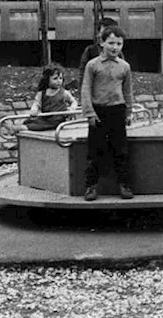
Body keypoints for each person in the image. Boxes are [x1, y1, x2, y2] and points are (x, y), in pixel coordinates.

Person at [80, 25, 134, 201]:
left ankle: (124, 185)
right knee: (95, 151)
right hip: (99, 112)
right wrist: (89, 113)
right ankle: (91, 186)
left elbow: (128, 92)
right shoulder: (92, 65)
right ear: (102, 43)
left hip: (117, 111)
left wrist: (129, 112)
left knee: (121, 150)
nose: (115, 47)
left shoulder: (124, 66)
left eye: (119, 43)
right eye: (111, 43)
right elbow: (86, 89)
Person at [23, 64, 78, 131]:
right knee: (27, 121)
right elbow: (36, 103)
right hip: (45, 119)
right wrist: (34, 110)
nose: (58, 81)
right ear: (47, 80)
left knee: (31, 126)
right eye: (55, 78)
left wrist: (71, 109)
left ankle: (17, 128)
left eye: (60, 78)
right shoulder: (42, 93)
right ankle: (15, 128)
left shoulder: (64, 93)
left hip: (57, 121)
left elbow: (74, 102)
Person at [77, 16, 119, 87]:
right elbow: (83, 75)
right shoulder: (90, 51)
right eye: (103, 32)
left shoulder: (118, 53)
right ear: (99, 34)